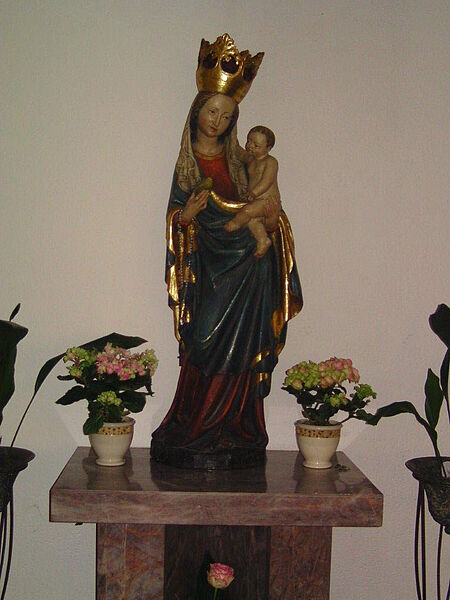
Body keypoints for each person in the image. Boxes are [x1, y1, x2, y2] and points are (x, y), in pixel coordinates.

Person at [150, 34, 302, 469]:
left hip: (251, 267)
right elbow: (177, 215)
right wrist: (186, 216)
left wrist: (270, 217)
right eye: (211, 111)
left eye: (227, 115)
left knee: (244, 347)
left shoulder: (243, 160)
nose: (217, 121)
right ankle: (197, 426)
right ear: (197, 111)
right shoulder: (187, 165)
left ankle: (236, 428)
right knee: (204, 339)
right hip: (210, 270)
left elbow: (269, 205)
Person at [225, 126, 281, 258]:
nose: (250, 146)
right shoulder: (250, 159)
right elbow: (238, 151)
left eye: (256, 145)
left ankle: (235, 224)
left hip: (267, 201)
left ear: (268, 148)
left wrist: (253, 193)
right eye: (249, 141)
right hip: (257, 202)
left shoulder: (270, 162)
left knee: (247, 211)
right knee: (253, 222)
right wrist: (230, 136)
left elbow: (267, 181)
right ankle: (263, 240)